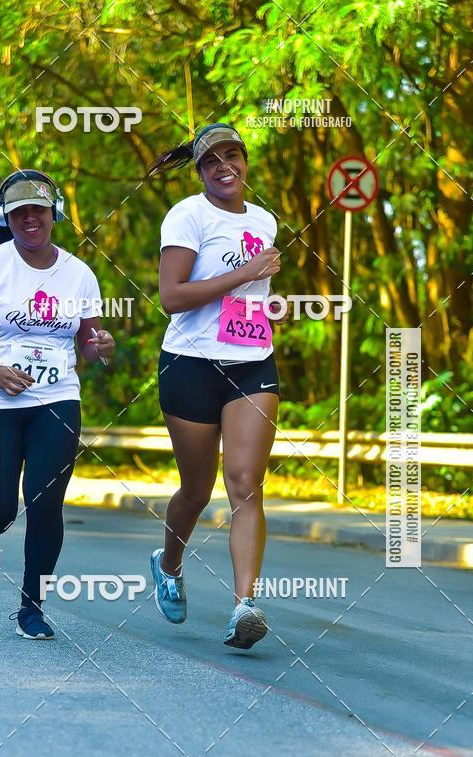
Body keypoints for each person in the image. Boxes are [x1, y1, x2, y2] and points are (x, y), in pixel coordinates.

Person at [0, 169, 114, 639]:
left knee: (44, 501)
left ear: (54, 213)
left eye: (38, 209)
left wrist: (101, 346)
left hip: (57, 400)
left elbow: (90, 343)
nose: (30, 219)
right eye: (19, 212)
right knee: (2, 506)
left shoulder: (78, 273)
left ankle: (31, 608)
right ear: (6, 217)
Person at [146, 123, 281, 650]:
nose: (225, 167)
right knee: (197, 491)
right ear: (201, 172)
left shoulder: (264, 220)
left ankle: (245, 606)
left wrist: (270, 305)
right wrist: (243, 274)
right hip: (190, 363)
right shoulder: (187, 215)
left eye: (232, 156)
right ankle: (169, 563)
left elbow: (249, 294)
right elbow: (172, 297)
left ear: (245, 162)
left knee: (246, 480)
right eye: (212, 162)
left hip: (252, 360)